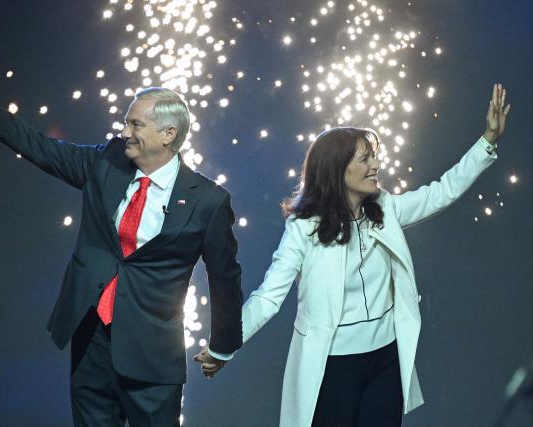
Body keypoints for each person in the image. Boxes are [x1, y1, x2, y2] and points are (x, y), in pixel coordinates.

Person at [0, 38, 243, 427]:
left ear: (168, 134)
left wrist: (222, 346)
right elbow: (40, 148)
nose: (125, 131)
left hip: (151, 356)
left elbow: (225, 278)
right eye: (126, 122)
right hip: (92, 341)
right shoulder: (108, 162)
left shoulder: (207, 200)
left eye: (136, 124)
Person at [198, 84, 510, 426]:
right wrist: (224, 345)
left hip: (385, 359)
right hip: (333, 364)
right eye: (365, 159)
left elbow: (442, 192)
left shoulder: (385, 208)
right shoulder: (304, 228)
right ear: (337, 169)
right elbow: (269, 297)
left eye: (373, 156)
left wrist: (487, 141)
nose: (376, 165)